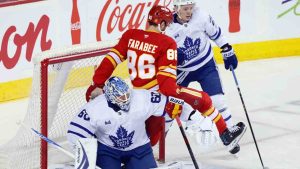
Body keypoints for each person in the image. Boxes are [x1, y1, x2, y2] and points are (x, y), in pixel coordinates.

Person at [85, 5, 246, 154]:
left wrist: (96, 84)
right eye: (166, 24)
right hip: (158, 97)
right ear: (162, 24)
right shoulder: (166, 41)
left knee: (150, 131)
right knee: (202, 101)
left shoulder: (130, 35)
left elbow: (110, 60)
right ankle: (223, 133)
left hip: (137, 97)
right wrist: (182, 94)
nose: (167, 27)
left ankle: (125, 150)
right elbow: (167, 85)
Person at [67, 76, 192, 169]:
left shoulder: (141, 98)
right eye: (122, 97)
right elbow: (76, 132)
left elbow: (171, 103)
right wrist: (85, 160)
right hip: (108, 151)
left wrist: (192, 116)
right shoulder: (94, 108)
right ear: (110, 97)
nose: (126, 99)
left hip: (139, 148)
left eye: (127, 95)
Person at [165, 0, 240, 153]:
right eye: (185, 9)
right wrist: (171, 57)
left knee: (218, 100)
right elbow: (163, 53)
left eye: (191, 8)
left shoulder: (201, 16)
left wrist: (226, 49)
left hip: (205, 65)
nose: (189, 12)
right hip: (181, 71)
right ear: (176, 8)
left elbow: (216, 33)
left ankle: (229, 135)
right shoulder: (168, 27)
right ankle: (158, 139)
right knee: (171, 104)